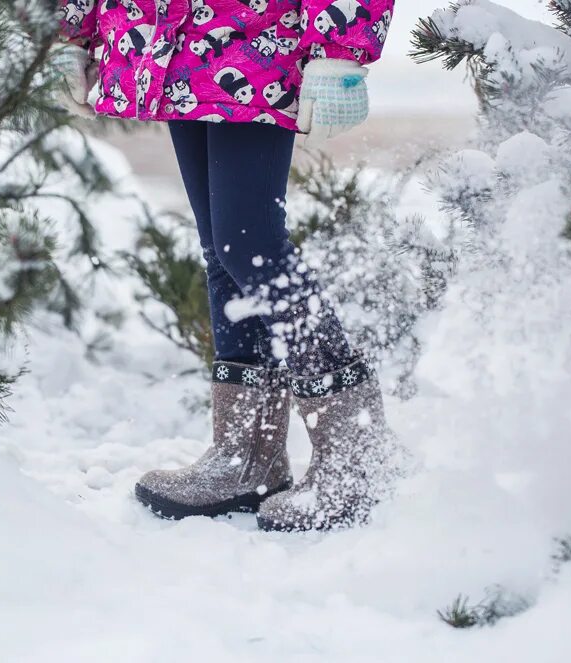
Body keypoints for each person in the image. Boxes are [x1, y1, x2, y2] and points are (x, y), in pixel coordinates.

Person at [55, 0, 397, 531]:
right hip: (166, 32)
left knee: (249, 243)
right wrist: (68, 31)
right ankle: (246, 457)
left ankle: (354, 459)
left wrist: (340, 46)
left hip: (256, 32)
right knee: (221, 246)